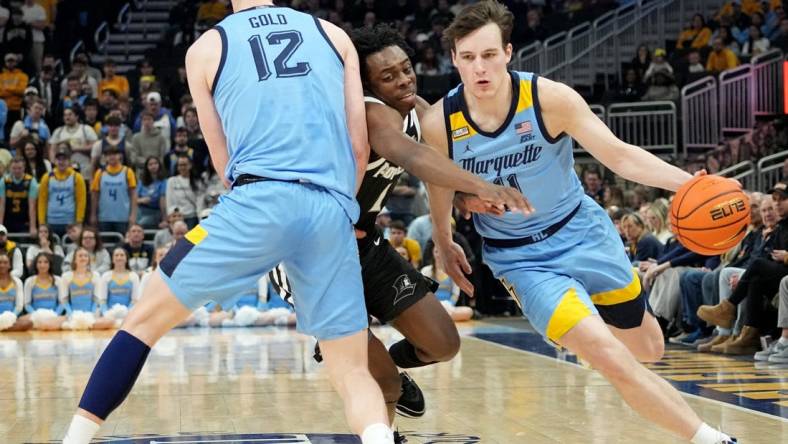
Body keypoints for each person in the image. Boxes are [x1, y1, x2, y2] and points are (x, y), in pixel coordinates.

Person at [61, 2, 419, 443]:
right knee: (351, 371)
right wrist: (340, 208)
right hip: (330, 208)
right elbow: (359, 146)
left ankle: (72, 440)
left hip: (258, 199)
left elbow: (222, 161)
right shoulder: (333, 34)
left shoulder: (205, 49)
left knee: (143, 319)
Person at [422, 2, 736, 443]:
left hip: (582, 231)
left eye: (489, 55)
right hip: (523, 260)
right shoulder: (439, 122)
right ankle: (710, 437)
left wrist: (691, 186)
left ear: (508, 53)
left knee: (649, 348)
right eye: (468, 57)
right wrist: (443, 237)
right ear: (454, 59)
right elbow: (438, 186)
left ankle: (585, 332)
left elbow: (620, 155)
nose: (479, 68)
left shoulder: (548, 98)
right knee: (611, 357)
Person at [37, 143, 87, 238]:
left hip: (70, 222)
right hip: (51, 221)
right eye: (59, 159)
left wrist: (79, 221)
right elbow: (42, 201)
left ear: (69, 161)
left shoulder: (77, 177)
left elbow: (81, 200)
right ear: (55, 161)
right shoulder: (47, 177)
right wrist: (42, 222)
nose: (61, 162)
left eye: (64, 159)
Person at [90, 146, 138, 234]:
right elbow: (95, 195)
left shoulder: (128, 172)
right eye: (109, 155)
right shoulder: (100, 173)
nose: (112, 157)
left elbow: (133, 195)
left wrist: (133, 215)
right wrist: (93, 214)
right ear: (105, 158)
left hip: (123, 217)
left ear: (120, 156)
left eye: (115, 154)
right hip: (104, 217)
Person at [21, 252, 64, 330]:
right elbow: (27, 304)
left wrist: (55, 315)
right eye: (39, 262)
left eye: (45, 262)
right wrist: (36, 315)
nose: (42, 265)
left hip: (54, 317)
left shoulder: (58, 280)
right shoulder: (29, 281)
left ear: (50, 264)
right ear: (36, 264)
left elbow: (62, 303)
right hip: (35, 317)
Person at [0, 157, 38, 235]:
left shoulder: (31, 181)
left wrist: (33, 226)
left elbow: (32, 206)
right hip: (8, 219)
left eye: (19, 168)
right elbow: (1, 205)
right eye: (14, 168)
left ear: (24, 167)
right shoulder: (4, 181)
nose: (17, 171)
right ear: (10, 168)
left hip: (24, 221)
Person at [0, 254, 30, 331]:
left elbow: (19, 305)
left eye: (5, 262)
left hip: (12, 318)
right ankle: (5, 328)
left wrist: (11, 317)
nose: (2, 265)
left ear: (10, 265)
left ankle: (4, 328)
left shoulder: (17, 282)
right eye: (0, 262)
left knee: (28, 323)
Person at [136, 156, 167, 228]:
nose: (153, 166)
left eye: (155, 163)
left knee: (141, 224)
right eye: (150, 164)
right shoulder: (141, 181)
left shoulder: (163, 181)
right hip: (141, 210)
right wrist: (141, 200)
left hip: (155, 211)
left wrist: (164, 218)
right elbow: (135, 199)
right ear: (146, 167)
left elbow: (162, 200)